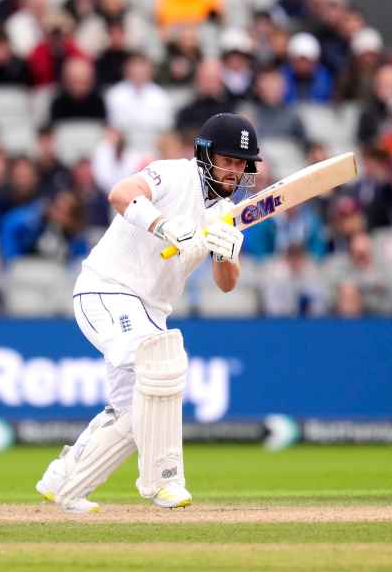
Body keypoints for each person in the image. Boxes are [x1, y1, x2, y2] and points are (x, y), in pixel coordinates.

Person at [35, 113, 256, 512]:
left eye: (241, 164)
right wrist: (164, 226)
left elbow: (226, 283)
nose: (234, 171)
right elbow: (120, 193)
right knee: (163, 362)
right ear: (205, 156)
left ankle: (64, 482)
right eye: (228, 160)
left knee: (135, 413)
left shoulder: (224, 210)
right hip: (106, 289)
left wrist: (228, 254)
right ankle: (163, 482)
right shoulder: (172, 175)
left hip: (151, 310)